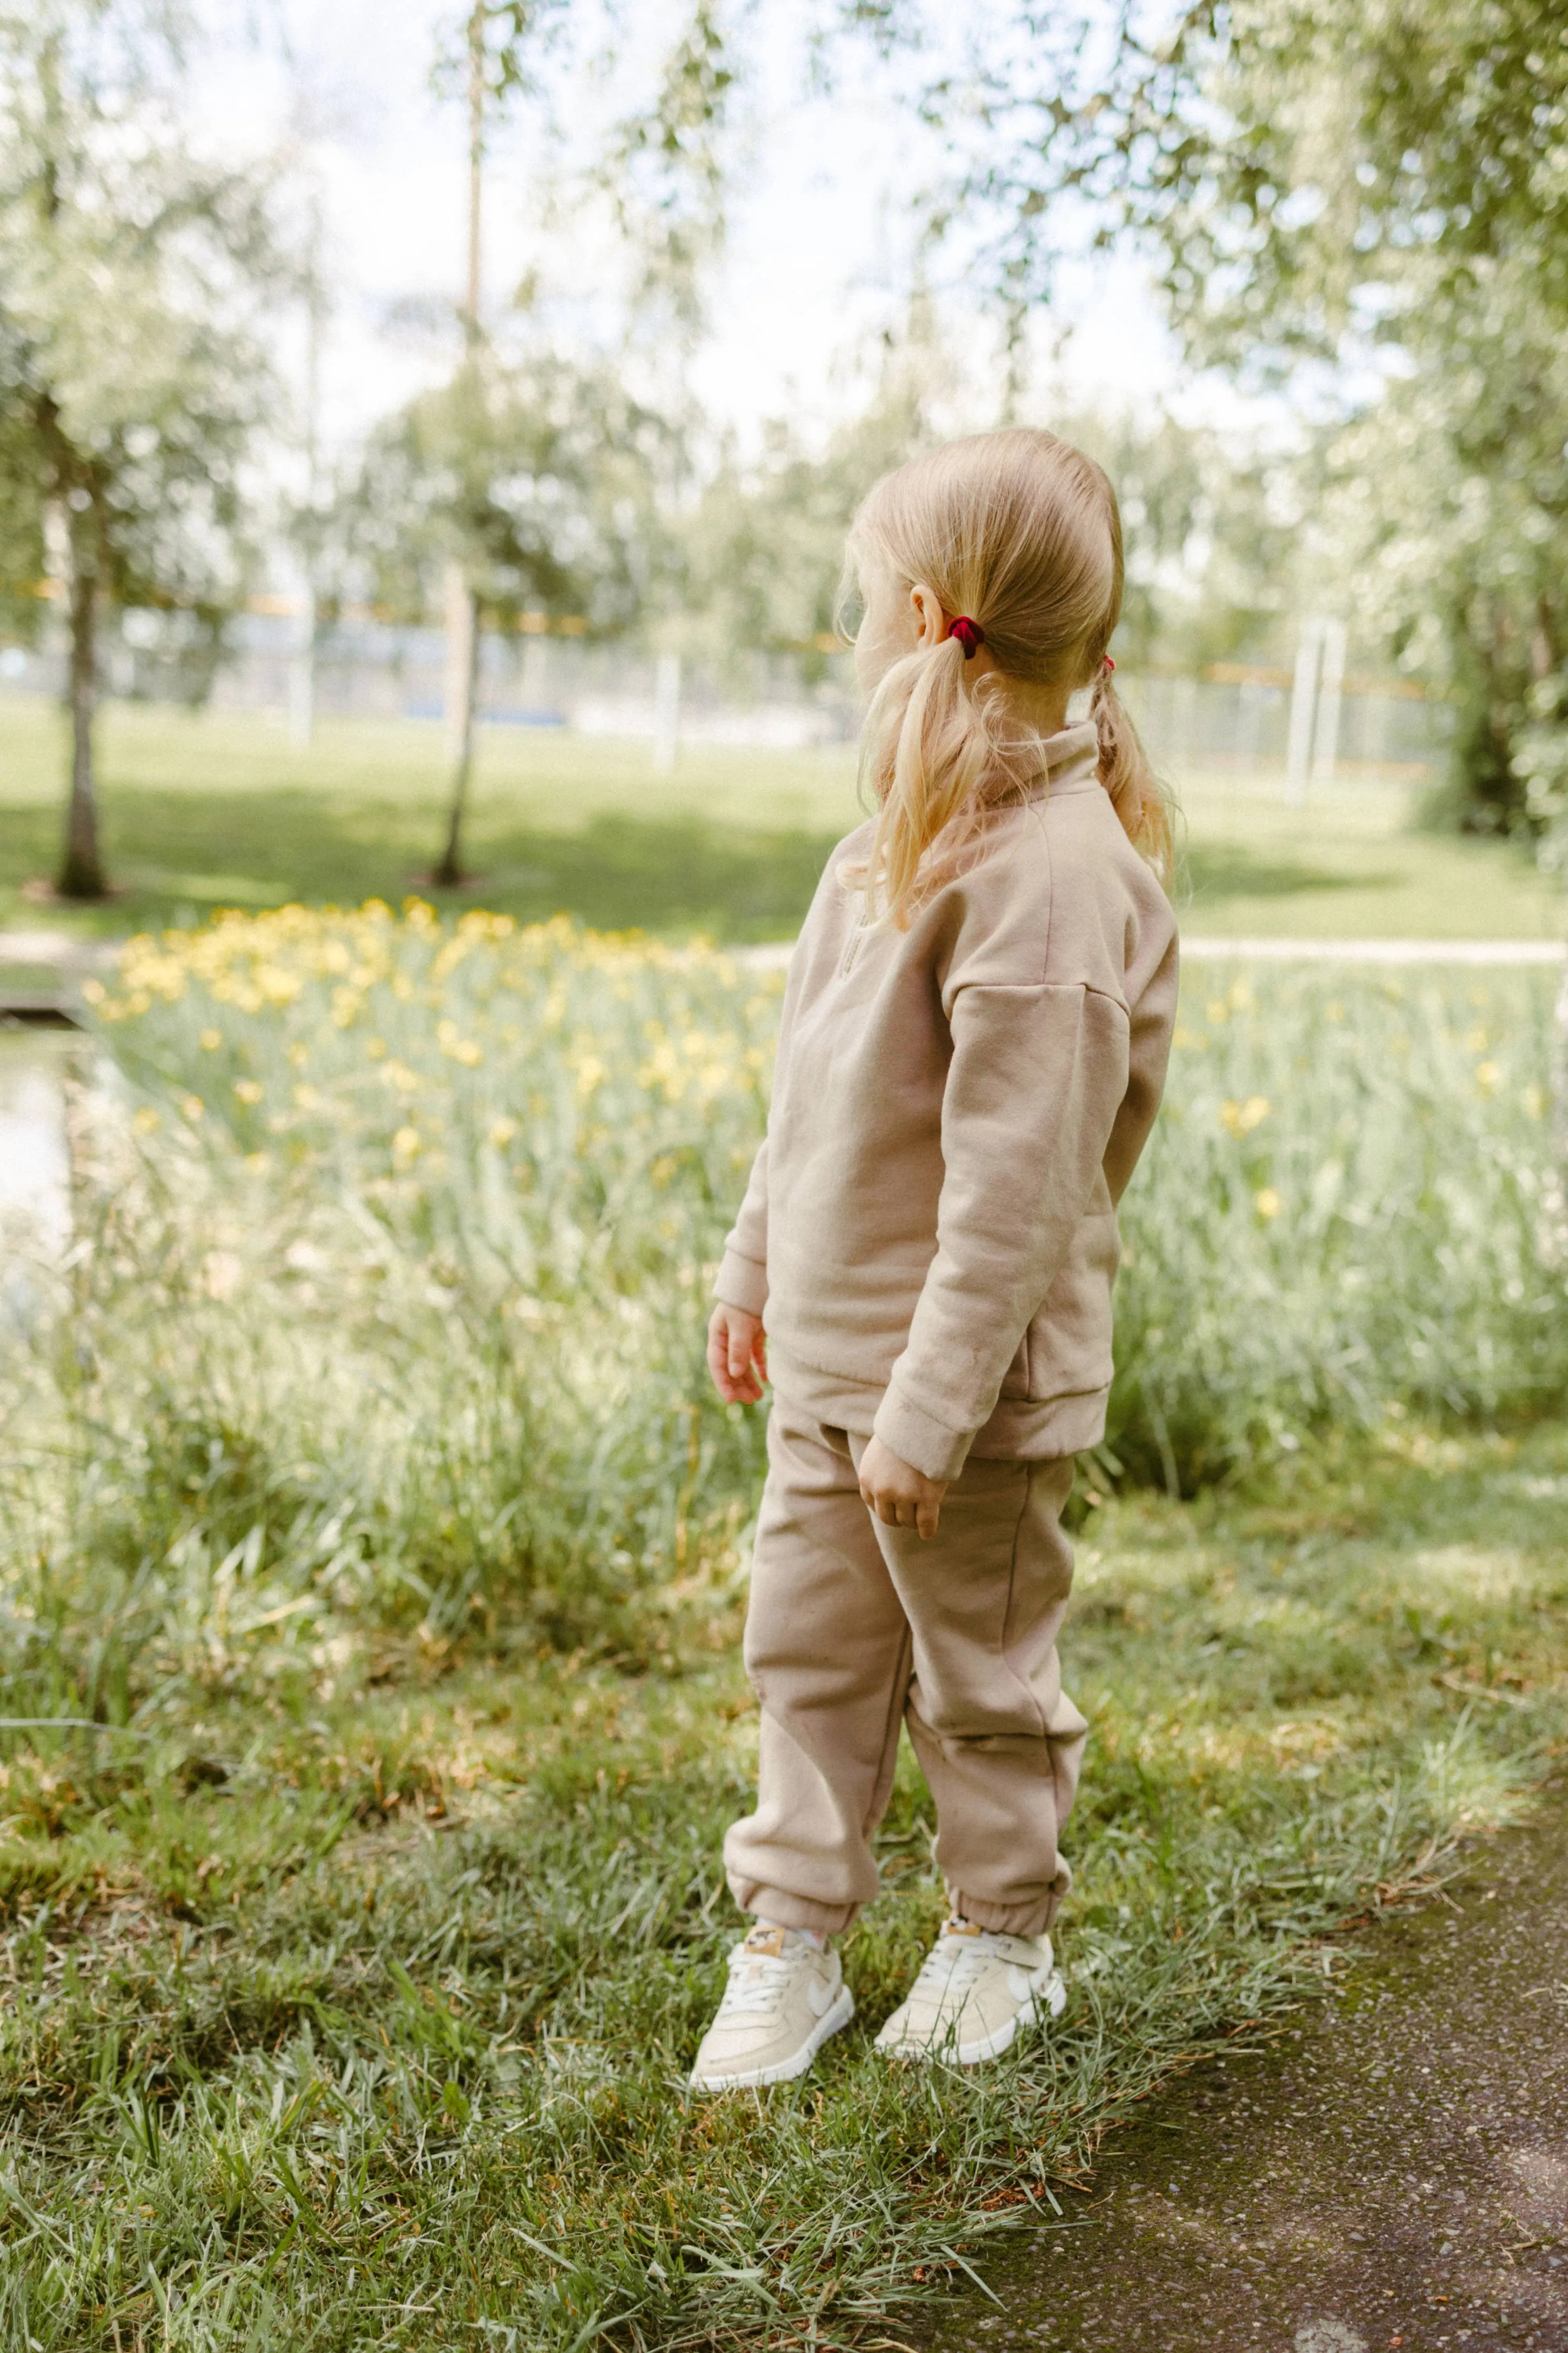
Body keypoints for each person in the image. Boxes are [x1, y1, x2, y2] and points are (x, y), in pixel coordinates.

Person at [689, 428, 1179, 2091]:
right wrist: (755, 1266)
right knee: (809, 1659)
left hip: (955, 1398)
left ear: (914, 614)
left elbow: (1018, 1200)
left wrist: (926, 1408)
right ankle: (793, 1938)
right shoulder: (888, 846)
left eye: (852, 615)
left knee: (977, 1676)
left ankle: (1001, 1936)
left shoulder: (1049, 893)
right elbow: (809, 1096)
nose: (848, 646)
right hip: (830, 1365)